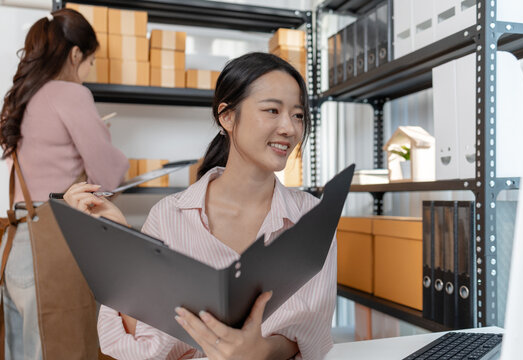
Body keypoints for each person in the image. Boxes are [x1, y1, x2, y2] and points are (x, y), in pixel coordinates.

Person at [64, 52, 336, 360]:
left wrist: (260, 351)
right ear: (227, 116)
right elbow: (145, 346)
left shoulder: (312, 217)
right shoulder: (169, 216)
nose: (288, 127)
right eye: (272, 110)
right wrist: (118, 239)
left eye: (298, 115)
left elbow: (312, 328)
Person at [0, 9, 129, 359]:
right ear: (75, 55)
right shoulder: (70, 94)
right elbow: (109, 175)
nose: (86, 74)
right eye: (89, 63)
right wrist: (104, 137)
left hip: (16, 249)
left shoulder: (22, 96)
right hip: (55, 247)